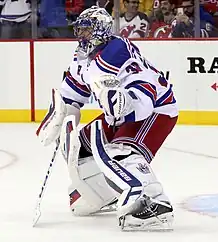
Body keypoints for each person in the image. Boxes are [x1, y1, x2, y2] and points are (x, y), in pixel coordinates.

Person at [36, 6, 178, 230]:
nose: (80, 36)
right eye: (79, 31)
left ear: (100, 31)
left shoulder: (118, 51)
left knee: (120, 153)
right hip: (118, 115)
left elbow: (145, 95)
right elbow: (71, 93)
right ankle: (102, 193)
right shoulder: (84, 56)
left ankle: (152, 201)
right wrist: (59, 114)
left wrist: (124, 103)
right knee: (79, 146)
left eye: (85, 31)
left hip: (155, 111)